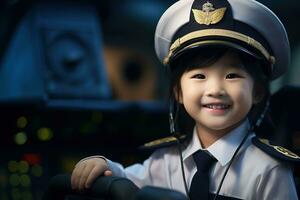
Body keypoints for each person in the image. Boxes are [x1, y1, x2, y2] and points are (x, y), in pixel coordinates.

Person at [71, 0, 300, 199]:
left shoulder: (269, 170)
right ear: (178, 92)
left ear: (258, 91)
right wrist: (103, 165)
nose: (215, 89)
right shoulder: (165, 161)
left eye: (232, 75)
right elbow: (128, 179)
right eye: (199, 76)